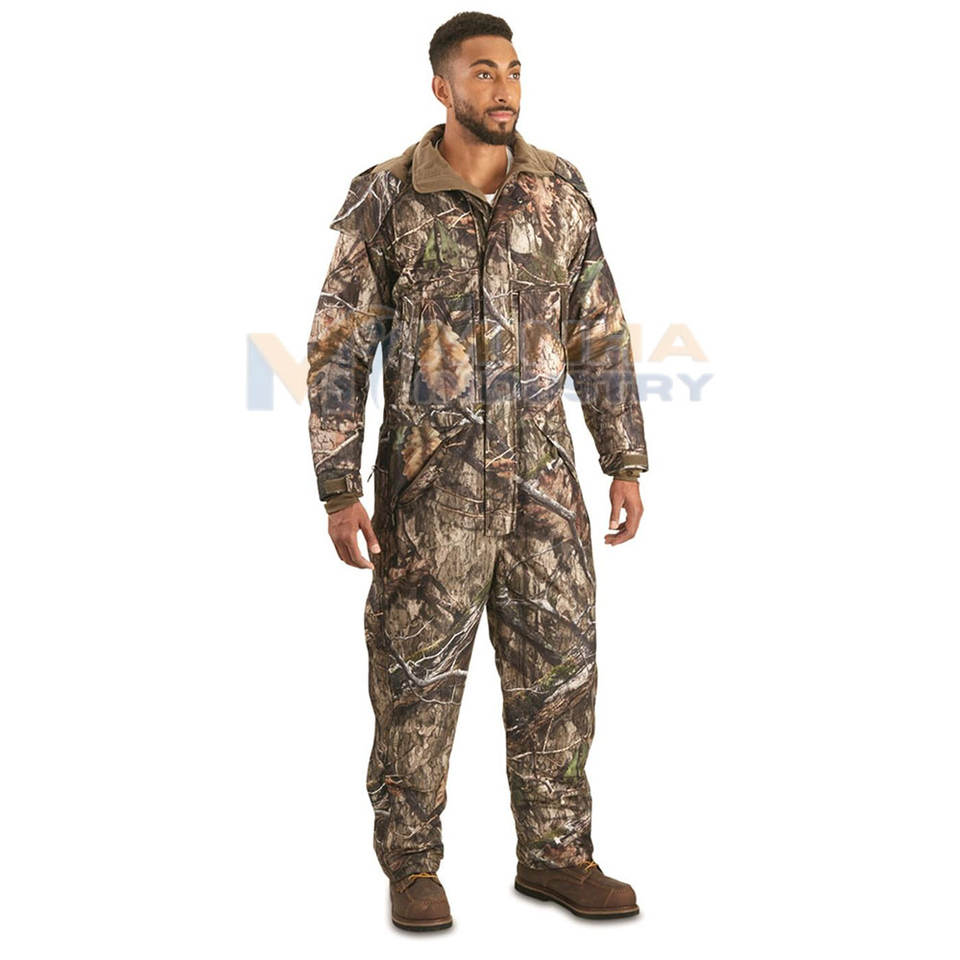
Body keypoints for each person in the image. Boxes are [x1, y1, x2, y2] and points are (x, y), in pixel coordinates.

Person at [306, 11, 647, 931]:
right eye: (484, 72)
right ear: (442, 87)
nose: (504, 88)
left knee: (560, 674)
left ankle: (557, 855)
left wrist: (623, 458)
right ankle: (413, 864)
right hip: (431, 493)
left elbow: (599, 331)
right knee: (415, 682)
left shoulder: (557, 191)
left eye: (514, 70)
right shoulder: (387, 198)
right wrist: (338, 487)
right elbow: (338, 350)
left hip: (544, 490)